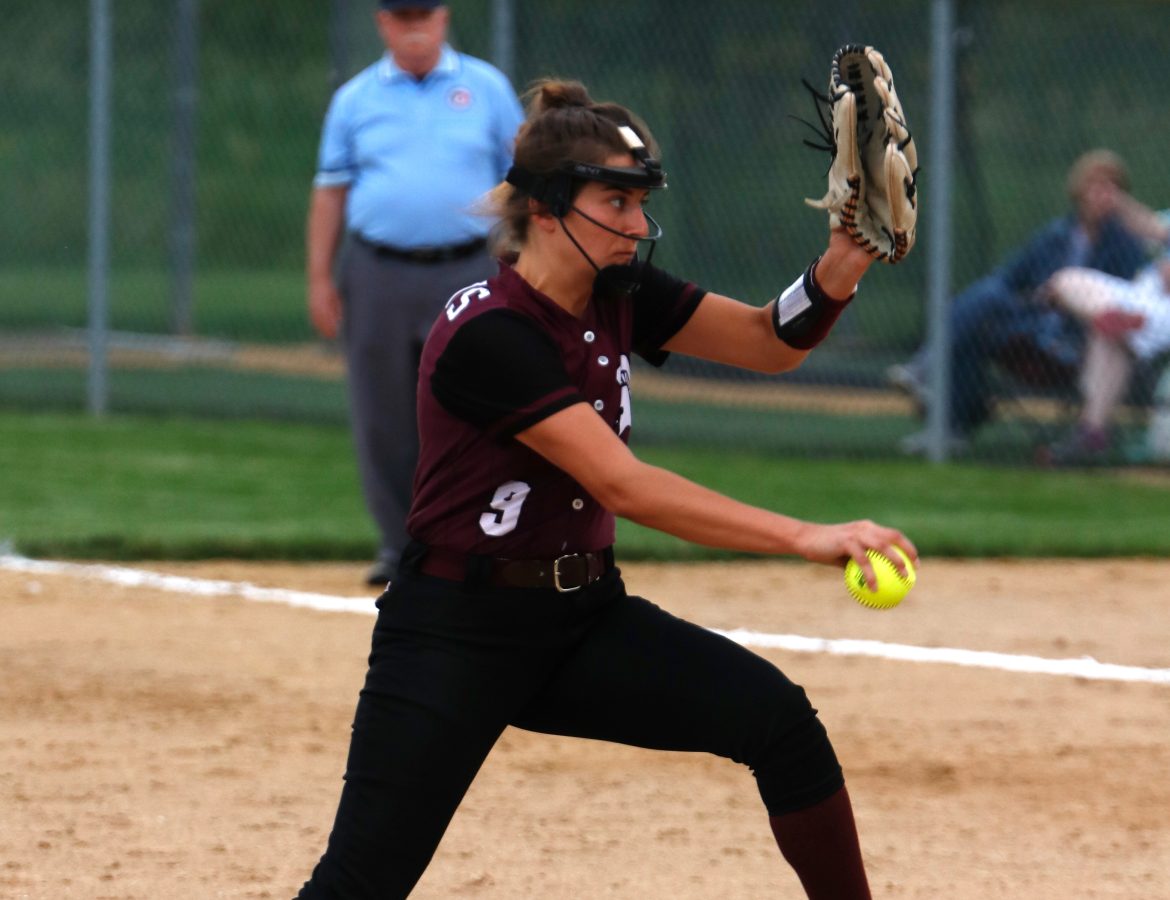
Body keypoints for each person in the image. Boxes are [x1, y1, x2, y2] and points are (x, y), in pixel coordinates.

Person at [295, 79, 917, 900]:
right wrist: (806, 535)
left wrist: (839, 266)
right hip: (455, 636)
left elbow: (770, 342)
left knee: (781, 724)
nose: (637, 224)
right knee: (359, 883)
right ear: (547, 209)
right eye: (615, 202)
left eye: (639, 202)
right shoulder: (491, 333)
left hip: (583, 623)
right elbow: (623, 485)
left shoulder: (618, 291)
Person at [306, 0, 524, 586]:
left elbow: (522, 178)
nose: (416, 29)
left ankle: (475, 539)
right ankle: (398, 545)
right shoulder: (355, 99)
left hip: (468, 267)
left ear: (445, 18)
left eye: (424, 16)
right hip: (377, 270)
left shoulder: (486, 88)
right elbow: (331, 191)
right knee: (383, 413)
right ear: (383, 24)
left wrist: (520, 264)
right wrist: (320, 278)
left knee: (473, 407)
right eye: (403, 18)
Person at [889, 149, 1147, 454]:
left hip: (1076, 340)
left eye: (1111, 188)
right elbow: (1007, 279)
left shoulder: (1126, 245)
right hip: (1031, 328)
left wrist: (1070, 300)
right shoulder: (1055, 236)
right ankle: (951, 428)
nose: (1102, 195)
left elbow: (1127, 300)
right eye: (1095, 186)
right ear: (1079, 190)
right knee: (984, 306)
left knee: (985, 303)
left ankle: (925, 368)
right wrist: (1037, 297)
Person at [1036, 198, 1170, 465]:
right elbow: (1152, 227)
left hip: (1162, 312)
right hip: (1141, 298)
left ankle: (1091, 434)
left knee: (1107, 340)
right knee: (1066, 279)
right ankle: (1105, 316)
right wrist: (1115, 200)